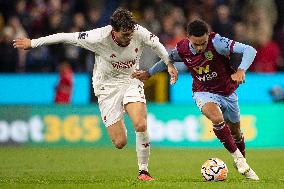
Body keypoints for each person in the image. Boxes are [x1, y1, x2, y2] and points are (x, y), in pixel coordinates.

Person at [13, 8, 178, 181]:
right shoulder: (98, 37)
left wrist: (169, 64)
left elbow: (157, 44)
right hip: (106, 87)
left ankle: (143, 171)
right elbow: (64, 37)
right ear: (114, 31)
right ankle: (118, 118)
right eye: (124, 34)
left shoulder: (138, 32)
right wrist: (32, 43)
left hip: (131, 80)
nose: (129, 37)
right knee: (120, 142)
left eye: (130, 33)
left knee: (141, 124)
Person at [132, 20, 259, 180]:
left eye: (203, 43)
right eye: (196, 44)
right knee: (216, 118)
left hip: (228, 92)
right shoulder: (182, 49)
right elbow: (167, 59)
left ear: (208, 36)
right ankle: (239, 160)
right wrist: (149, 73)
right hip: (203, 92)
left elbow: (250, 50)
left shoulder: (217, 42)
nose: (200, 47)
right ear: (188, 38)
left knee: (236, 133)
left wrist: (241, 70)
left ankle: (242, 160)